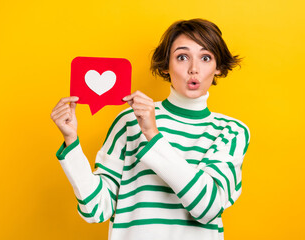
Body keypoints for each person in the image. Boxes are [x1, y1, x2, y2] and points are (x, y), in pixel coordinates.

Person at [50, 19, 250, 240]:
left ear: (218, 67)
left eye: (205, 58)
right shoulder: (129, 120)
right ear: (166, 65)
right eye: (182, 57)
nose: (194, 69)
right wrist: (71, 143)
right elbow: (95, 209)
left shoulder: (231, 131)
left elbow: (206, 207)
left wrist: (153, 135)